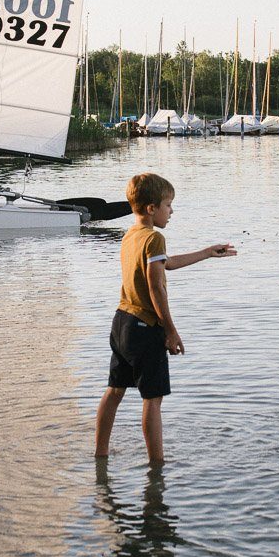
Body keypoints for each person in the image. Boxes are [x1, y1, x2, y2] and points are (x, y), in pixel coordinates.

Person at [94, 171, 236, 464]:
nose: (171, 211)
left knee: (115, 391)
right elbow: (156, 286)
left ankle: (101, 453)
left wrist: (207, 253)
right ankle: (157, 466)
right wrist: (170, 330)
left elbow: (166, 264)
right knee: (152, 399)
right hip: (144, 327)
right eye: (168, 205)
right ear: (151, 208)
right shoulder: (155, 238)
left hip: (121, 323)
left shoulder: (131, 235)